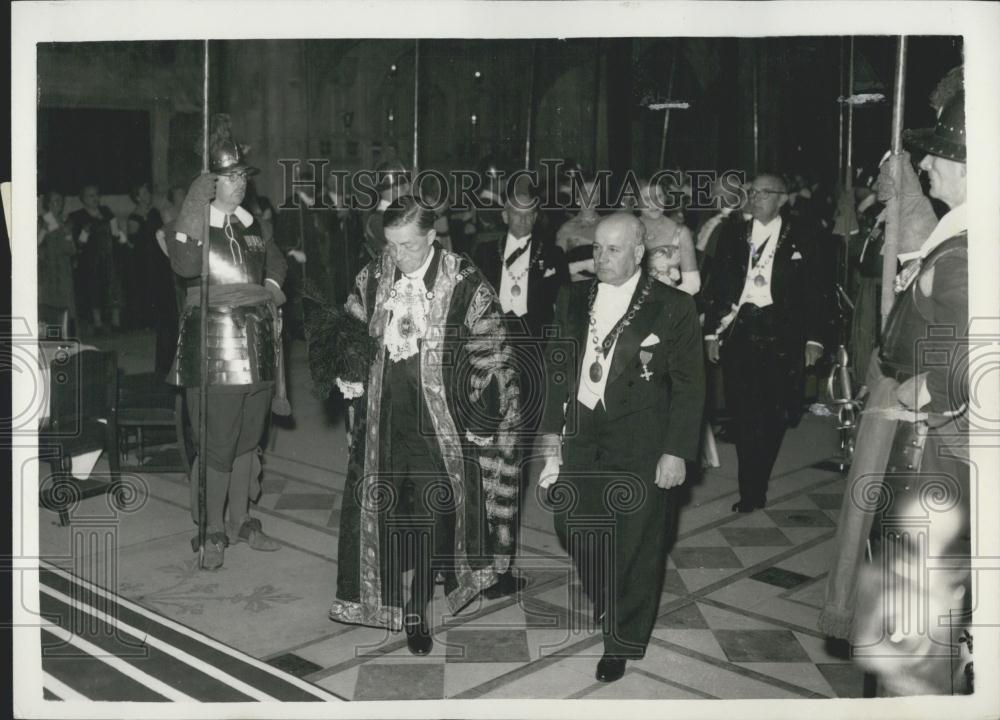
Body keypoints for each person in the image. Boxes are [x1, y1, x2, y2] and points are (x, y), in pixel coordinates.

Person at [822, 91, 970, 696]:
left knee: (914, 619)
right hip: (934, 449)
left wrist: (928, 386)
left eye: (938, 157)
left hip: (933, 454)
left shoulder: (963, 248)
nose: (925, 167)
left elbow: (968, 351)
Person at [327, 195, 522, 655]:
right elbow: (351, 332)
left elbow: (493, 347)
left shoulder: (464, 279)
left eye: (408, 246)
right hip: (385, 420)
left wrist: (484, 412)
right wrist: (351, 381)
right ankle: (390, 598)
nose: (397, 256)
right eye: (391, 245)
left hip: (440, 424)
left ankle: (417, 609)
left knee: (437, 514)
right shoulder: (374, 276)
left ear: (432, 237)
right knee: (391, 512)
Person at [539, 213, 704, 682]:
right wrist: (552, 429)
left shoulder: (672, 306)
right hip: (583, 432)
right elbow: (558, 367)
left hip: (643, 438)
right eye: (597, 249)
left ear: (639, 253)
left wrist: (676, 451)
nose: (601, 258)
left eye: (613, 250)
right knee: (572, 523)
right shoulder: (573, 298)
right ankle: (609, 598)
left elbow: (691, 385)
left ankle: (622, 639)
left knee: (636, 541)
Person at [166, 137, 287, 570]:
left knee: (249, 439)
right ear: (211, 183)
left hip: (257, 344)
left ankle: (242, 521)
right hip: (215, 343)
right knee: (217, 441)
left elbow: (275, 262)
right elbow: (182, 264)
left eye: (242, 177)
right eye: (230, 177)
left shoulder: (253, 224)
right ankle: (211, 529)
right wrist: (194, 205)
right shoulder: (196, 226)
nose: (239, 185)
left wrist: (271, 287)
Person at [702, 174, 835, 513]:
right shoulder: (733, 232)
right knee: (743, 412)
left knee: (775, 414)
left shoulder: (805, 233)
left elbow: (819, 290)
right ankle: (751, 491)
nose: (754, 197)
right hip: (740, 327)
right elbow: (716, 284)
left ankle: (758, 476)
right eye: (752, 191)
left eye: (763, 192)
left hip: (782, 331)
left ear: (782, 199)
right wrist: (711, 333)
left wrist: (815, 340)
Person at [473, 188, 568, 598]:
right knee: (479, 457)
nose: (524, 221)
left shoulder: (553, 255)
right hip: (486, 358)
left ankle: (503, 561)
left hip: (531, 359)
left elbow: (560, 310)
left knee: (516, 457)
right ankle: (474, 554)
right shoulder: (481, 250)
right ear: (504, 213)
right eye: (517, 213)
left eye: (531, 215)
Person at [68, 184, 126, 335]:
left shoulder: (106, 212)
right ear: (83, 199)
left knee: (113, 288)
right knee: (94, 289)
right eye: (90, 195)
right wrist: (84, 233)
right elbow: (77, 244)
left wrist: (123, 238)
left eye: (96, 195)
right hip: (91, 260)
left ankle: (116, 323)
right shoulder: (77, 216)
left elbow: (115, 233)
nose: (95, 198)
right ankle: (98, 324)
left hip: (109, 256)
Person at [637, 177, 700, 295]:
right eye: (647, 199)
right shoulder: (626, 229)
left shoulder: (681, 232)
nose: (654, 204)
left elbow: (693, 283)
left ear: (666, 197)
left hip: (666, 305)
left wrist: (665, 303)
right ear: (637, 201)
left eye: (659, 197)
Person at [37, 191, 77, 337]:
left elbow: (72, 249)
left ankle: (69, 335)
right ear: (47, 203)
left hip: (64, 268)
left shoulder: (65, 221)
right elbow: (35, 244)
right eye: (55, 201)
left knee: (67, 302)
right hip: (48, 268)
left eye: (60, 201)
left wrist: (67, 234)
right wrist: (44, 232)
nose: (58, 204)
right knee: (50, 302)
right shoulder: (42, 221)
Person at [127, 182, 165, 331]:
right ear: (137, 197)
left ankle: (159, 319)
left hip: (157, 255)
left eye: (147, 192)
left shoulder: (155, 212)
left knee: (159, 286)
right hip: (143, 258)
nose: (147, 195)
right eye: (143, 193)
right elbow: (132, 241)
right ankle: (147, 321)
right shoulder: (134, 217)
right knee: (146, 288)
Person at [555, 174, 601, 283]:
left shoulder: (608, 225)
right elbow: (558, 266)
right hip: (576, 288)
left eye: (595, 192)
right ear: (577, 197)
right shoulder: (567, 229)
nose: (591, 197)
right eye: (586, 193)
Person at [362, 159, 410, 259]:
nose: (408, 188)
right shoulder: (377, 220)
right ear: (396, 187)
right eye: (405, 184)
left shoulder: (395, 215)